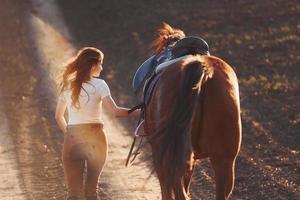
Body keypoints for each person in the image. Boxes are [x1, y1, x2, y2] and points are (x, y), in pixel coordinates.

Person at [55, 47, 139, 200]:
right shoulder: (100, 85)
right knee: (91, 192)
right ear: (92, 65)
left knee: (74, 195)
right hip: (96, 137)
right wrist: (141, 112)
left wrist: (69, 133)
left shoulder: (68, 85)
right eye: (100, 63)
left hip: (73, 137)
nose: (102, 67)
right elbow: (115, 112)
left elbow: (58, 116)